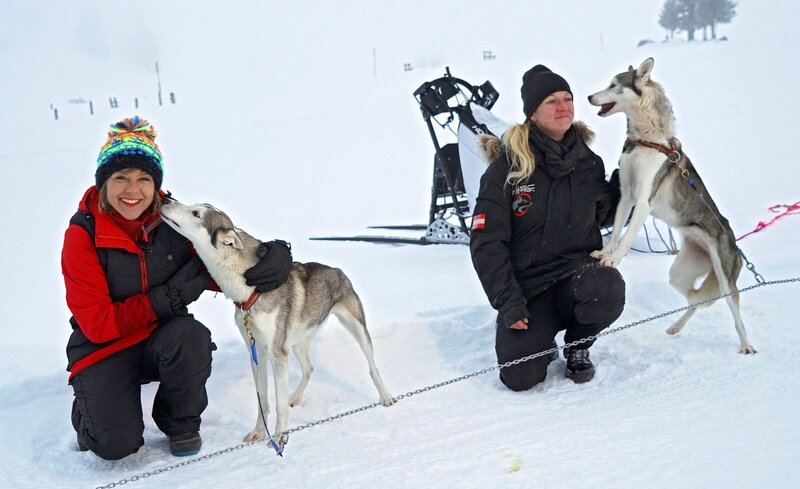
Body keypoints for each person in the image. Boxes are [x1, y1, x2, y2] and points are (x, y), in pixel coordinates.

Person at [62, 116, 293, 460]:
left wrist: (270, 257)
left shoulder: (171, 219)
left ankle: (178, 420)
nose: (133, 190)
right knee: (115, 447)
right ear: (103, 183)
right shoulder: (83, 234)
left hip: (165, 340)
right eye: (120, 177)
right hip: (104, 347)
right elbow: (97, 323)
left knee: (192, 336)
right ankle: (89, 414)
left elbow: (222, 266)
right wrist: (169, 298)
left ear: (156, 184)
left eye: (144, 179)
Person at [470, 65, 625, 391]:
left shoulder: (588, 162)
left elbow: (603, 216)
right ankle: (540, 339)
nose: (563, 106)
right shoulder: (507, 168)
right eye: (551, 101)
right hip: (528, 291)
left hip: (577, 278)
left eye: (567, 98)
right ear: (533, 114)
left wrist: (627, 185)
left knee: (607, 286)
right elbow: (487, 242)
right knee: (520, 378)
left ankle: (578, 344)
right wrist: (508, 302)